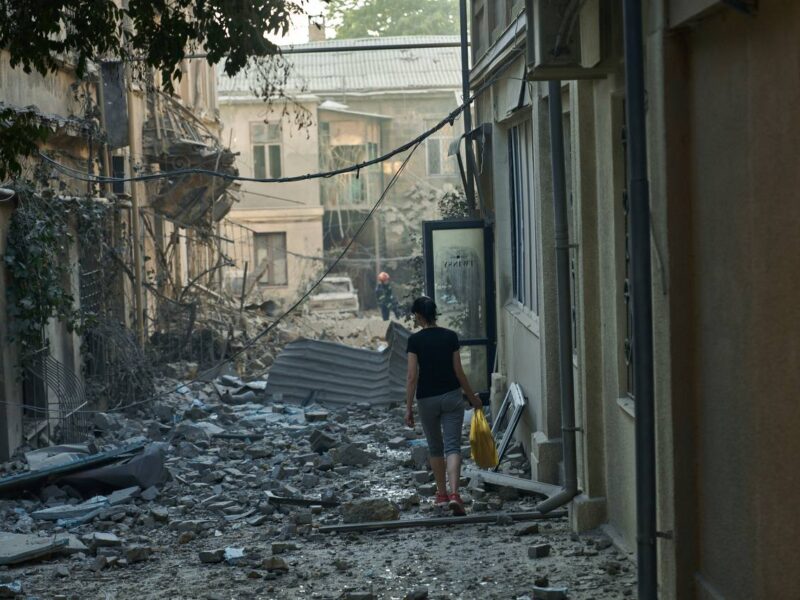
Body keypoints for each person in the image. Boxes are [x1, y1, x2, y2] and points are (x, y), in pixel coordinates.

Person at [405, 296, 482, 516]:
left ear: (419, 316)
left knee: (435, 448)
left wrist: (408, 408)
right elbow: (459, 372)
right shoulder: (450, 336)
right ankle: (455, 494)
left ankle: (441, 494)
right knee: (453, 447)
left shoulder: (415, 341)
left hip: (426, 399)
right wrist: (472, 398)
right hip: (451, 397)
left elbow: (412, 377)